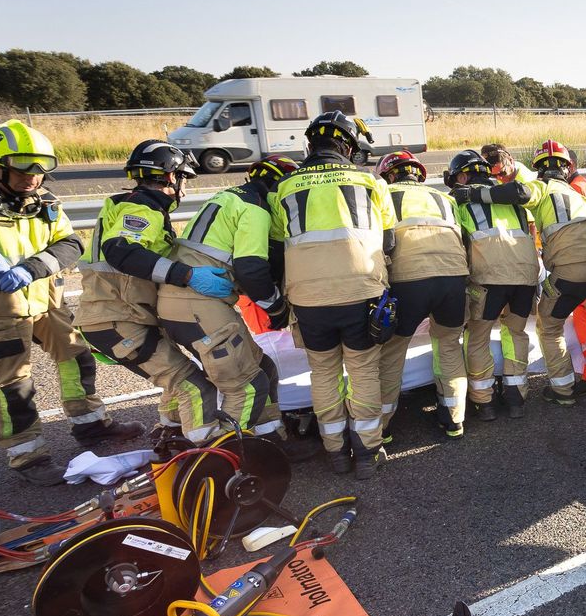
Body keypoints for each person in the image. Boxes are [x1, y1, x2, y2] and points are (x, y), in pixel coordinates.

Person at [0, 120, 139, 484]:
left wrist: (32, 269)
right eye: (23, 167)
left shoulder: (43, 200)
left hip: (47, 300)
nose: (33, 177)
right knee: (14, 384)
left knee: (77, 357)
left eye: (41, 168)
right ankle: (28, 456)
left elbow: (70, 242)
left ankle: (90, 425)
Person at [156, 154, 314, 459]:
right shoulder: (255, 209)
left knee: (264, 368)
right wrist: (276, 308)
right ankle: (224, 458)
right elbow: (251, 269)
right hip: (199, 306)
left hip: (182, 302)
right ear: (276, 186)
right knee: (247, 384)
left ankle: (271, 439)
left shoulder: (229, 198)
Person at [269, 111, 396, 478]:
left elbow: (276, 248)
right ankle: (367, 452)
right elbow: (389, 241)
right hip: (362, 293)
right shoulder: (372, 182)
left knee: (323, 373)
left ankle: (336, 452)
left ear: (311, 144)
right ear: (348, 146)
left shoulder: (284, 187)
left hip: (308, 299)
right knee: (363, 372)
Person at [75, 140, 223, 448]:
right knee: (193, 387)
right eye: (183, 178)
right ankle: (209, 450)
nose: (184, 188)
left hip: (124, 317)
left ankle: (170, 434)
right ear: (170, 176)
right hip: (117, 320)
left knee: (177, 378)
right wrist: (186, 275)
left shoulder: (137, 206)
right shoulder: (142, 209)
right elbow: (121, 250)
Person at [373, 150, 469, 437]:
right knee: (449, 345)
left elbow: (379, 242)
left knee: (392, 351)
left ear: (389, 175)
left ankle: (381, 428)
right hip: (453, 277)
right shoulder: (445, 198)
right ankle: (454, 419)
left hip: (408, 279)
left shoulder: (383, 195)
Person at [516, 151, 586, 405]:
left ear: (540, 171)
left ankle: (562, 389)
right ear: (568, 167)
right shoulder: (581, 193)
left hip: (569, 272)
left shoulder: (544, 188)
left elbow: (519, 193)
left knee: (549, 325)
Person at [449, 149, 538, 421]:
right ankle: (516, 398)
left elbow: (457, 248)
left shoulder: (461, 204)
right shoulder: (510, 199)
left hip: (488, 279)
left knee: (478, 337)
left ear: (462, 177)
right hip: (525, 278)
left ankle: (483, 401)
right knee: (516, 333)